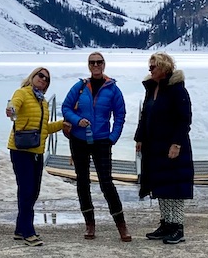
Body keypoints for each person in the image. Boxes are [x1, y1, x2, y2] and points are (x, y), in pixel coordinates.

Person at [61, 52, 131, 241]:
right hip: (79, 140)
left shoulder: (113, 89)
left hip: (101, 141)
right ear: (88, 65)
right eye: (92, 62)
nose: (96, 65)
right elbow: (65, 108)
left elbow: (120, 115)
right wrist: (77, 121)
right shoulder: (80, 87)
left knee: (106, 183)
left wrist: (112, 138)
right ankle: (89, 224)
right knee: (82, 181)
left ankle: (121, 225)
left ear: (104, 64)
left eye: (99, 62)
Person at [134, 51, 194, 244]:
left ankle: (177, 227)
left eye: (153, 67)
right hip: (154, 146)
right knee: (160, 184)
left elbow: (184, 119)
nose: (150, 70)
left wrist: (176, 143)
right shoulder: (152, 89)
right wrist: (140, 138)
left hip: (172, 146)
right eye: (149, 67)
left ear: (164, 68)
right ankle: (166, 223)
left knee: (174, 187)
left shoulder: (177, 90)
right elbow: (145, 115)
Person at [6, 66, 62, 246]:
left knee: (33, 191)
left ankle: (19, 229)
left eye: (47, 79)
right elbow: (14, 105)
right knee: (26, 190)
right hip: (21, 150)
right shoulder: (22, 93)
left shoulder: (43, 102)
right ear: (33, 76)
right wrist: (11, 109)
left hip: (37, 152)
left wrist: (63, 124)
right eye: (41, 76)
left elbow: (44, 129)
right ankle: (28, 232)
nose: (43, 80)